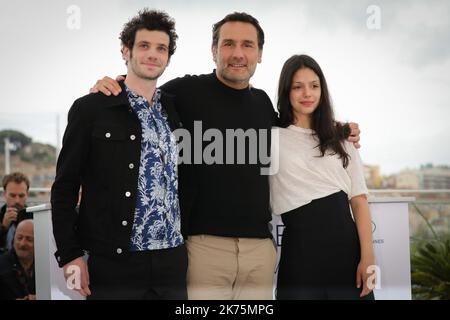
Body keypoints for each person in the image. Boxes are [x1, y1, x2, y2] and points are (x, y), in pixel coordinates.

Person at [91, 12, 361, 300]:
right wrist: (113, 85)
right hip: (203, 249)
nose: (238, 54)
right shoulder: (183, 92)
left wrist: (339, 129)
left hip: (259, 251)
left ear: (259, 54)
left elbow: (297, 128)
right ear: (213, 51)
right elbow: (140, 92)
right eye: (228, 44)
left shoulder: (262, 104)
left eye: (248, 45)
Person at [51, 9, 187, 300]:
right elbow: (64, 186)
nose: (153, 54)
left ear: (168, 57)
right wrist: (70, 256)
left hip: (171, 262)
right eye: (144, 46)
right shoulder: (92, 109)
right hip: (115, 263)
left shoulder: (174, 110)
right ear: (126, 51)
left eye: (161, 48)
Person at [270, 54, 375, 300]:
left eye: (314, 86)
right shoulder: (271, 137)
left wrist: (367, 255)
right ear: (286, 91)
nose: (307, 93)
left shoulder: (341, 137)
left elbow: (359, 200)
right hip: (299, 254)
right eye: (298, 87)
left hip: (346, 250)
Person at [0, 219, 35, 300]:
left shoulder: (47, 266)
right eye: (19, 238)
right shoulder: (1, 265)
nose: (22, 244)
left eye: (29, 239)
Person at [1, 172, 31, 252]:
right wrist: (3, 228)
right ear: (4, 194)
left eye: (21, 196)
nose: (17, 200)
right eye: (12, 195)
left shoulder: (34, 218)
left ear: (27, 194)